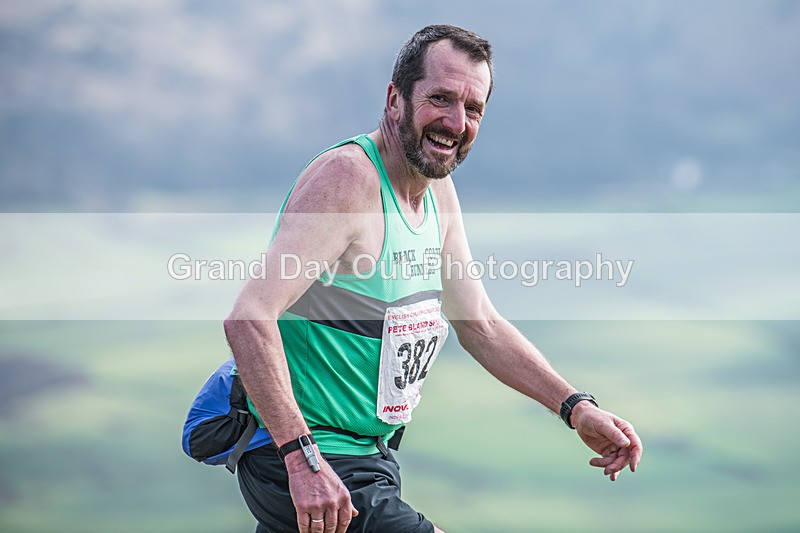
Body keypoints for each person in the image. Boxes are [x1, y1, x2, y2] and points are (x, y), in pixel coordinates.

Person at [224, 24, 642, 533]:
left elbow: (479, 324)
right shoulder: (348, 181)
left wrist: (577, 408)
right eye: (440, 99)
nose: (456, 121)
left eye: (473, 109)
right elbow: (249, 317)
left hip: (367, 462)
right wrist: (303, 462)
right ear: (395, 99)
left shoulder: (436, 192)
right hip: (311, 459)